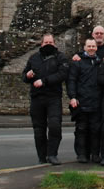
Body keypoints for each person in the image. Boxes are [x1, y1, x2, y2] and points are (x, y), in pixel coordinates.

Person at [22, 33, 69, 165]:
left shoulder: (60, 57)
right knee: (39, 130)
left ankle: (52, 154)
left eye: (50, 42)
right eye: (46, 42)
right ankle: (42, 157)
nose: (48, 44)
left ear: (54, 44)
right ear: (41, 44)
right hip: (37, 98)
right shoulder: (34, 58)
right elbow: (24, 77)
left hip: (53, 97)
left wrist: (44, 81)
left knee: (55, 126)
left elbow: (63, 74)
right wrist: (28, 75)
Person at [67, 37, 103, 163]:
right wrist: (72, 97)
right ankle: (81, 154)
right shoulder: (77, 62)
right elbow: (71, 81)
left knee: (95, 130)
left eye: (93, 46)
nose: (91, 48)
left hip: (96, 102)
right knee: (81, 129)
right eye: (89, 46)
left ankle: (95, 154)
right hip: (81, 101)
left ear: (96, 48)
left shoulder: (100, 62)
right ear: (85, 48)